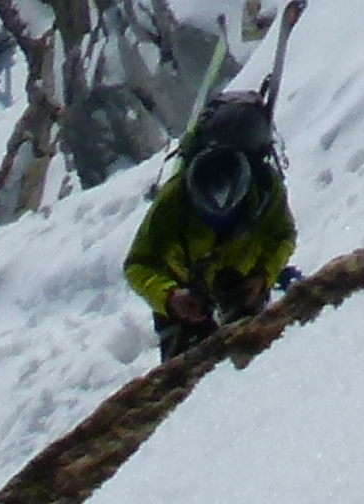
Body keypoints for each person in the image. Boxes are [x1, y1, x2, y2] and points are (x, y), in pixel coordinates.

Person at [124, 89, 299, 362]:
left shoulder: (265, 187)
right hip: (188, 294)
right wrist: (171, 298)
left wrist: (263, 276)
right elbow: (139, 263)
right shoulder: (174, 199)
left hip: (239, 287)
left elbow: (283, 235)